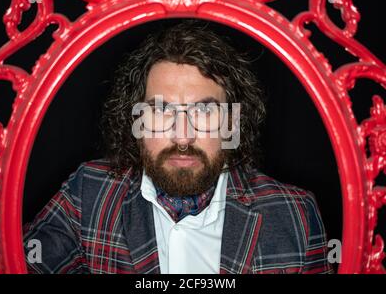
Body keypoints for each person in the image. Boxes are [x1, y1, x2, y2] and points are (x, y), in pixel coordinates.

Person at [23, 20, 333, 274]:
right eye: (161, 111)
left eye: (205, 112)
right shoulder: (87, 193)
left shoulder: (295, 215)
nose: (183, 137)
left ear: (232, 124)